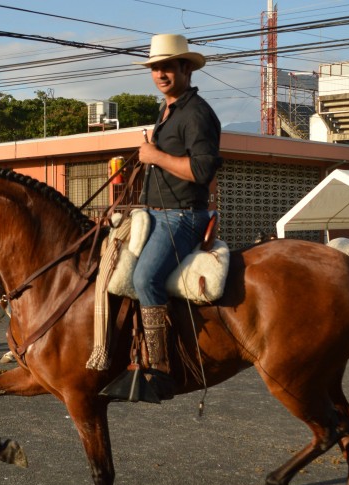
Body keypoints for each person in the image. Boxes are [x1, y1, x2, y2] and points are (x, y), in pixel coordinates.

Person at [127, 33, 222, 400]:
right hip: (152, 214)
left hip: (182, 217)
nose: (160, 74)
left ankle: (162, 369)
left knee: (145, 279)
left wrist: (155, 156)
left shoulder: (197, 114)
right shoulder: (168, 109)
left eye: (167, 67)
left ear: (186, 68)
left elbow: (202, 172)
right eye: (155, 68)